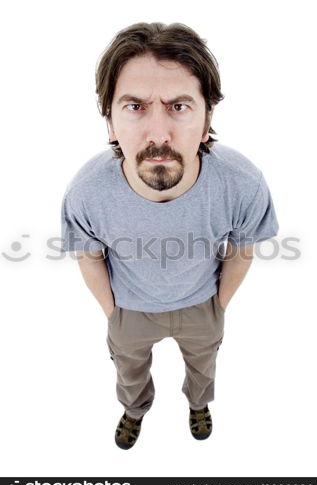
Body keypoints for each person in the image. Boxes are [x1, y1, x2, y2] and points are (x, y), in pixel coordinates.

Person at [60, 22, 279, 450]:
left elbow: (242, 250)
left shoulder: (242, 183)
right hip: (130, 312)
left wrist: (217, 306)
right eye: (135, 107)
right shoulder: (85, 193)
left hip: (201, 307)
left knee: (204, 367)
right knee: (129, 371)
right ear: (109, 120)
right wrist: (115, 314)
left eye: (179, 106)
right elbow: (89, 257)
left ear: (206, 118)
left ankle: (199, 404)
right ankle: (134, 410)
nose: (158, 134)